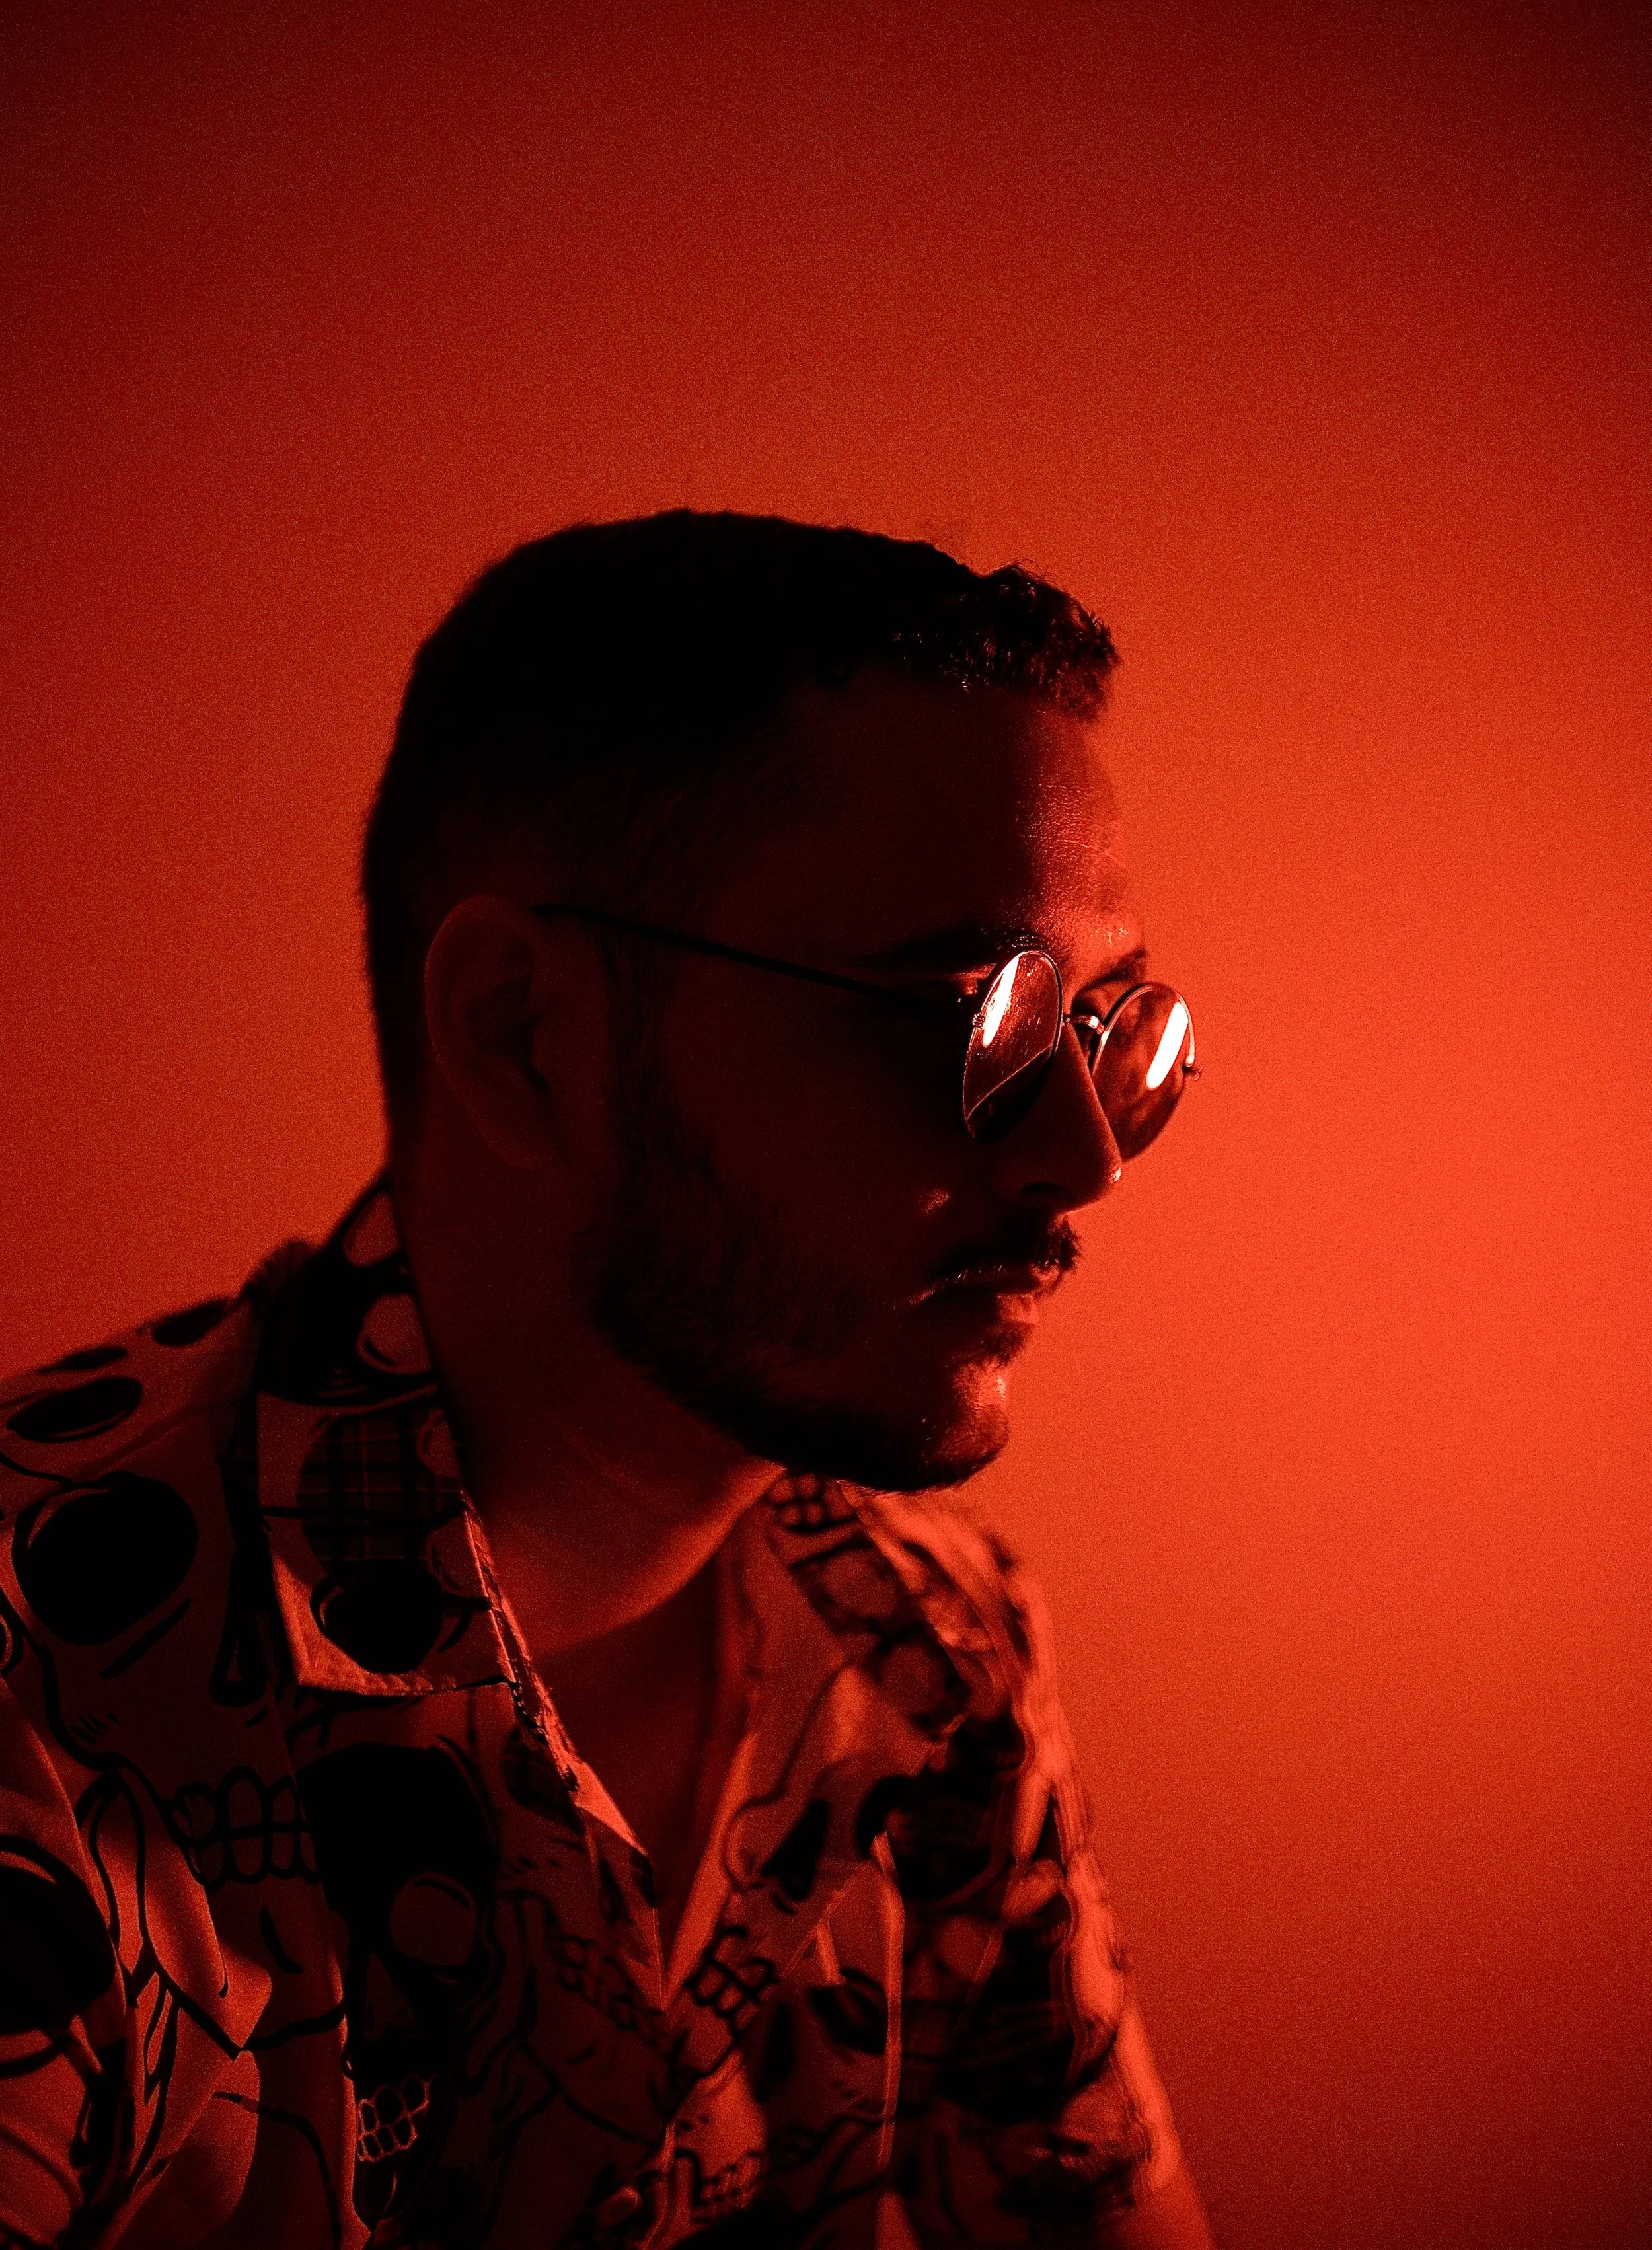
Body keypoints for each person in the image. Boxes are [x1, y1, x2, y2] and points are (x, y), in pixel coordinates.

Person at [0, 513, 1215, 2249]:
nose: (1082, 1158)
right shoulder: (43, 1704)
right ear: (522, 1032)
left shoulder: (933, 1654)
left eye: (1104, 1029)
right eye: (975, 1016)